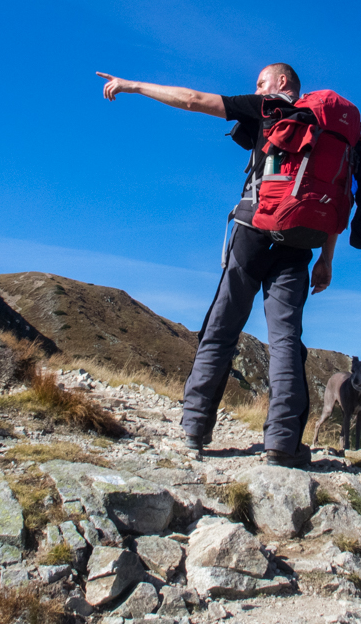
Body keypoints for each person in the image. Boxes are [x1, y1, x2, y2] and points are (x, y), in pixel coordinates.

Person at [97, 64, 336, 468]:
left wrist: (134, 85)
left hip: (253, 228)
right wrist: (326, 260)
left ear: (281, 84)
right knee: (285, 340)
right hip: (299, 243)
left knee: (223, 326)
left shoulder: (267, 107)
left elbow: (192, 100)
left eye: (261, 82)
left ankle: (194, 430)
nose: (256, 88)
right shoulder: (327, 131)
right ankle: (281, 445)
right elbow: (333, 200)